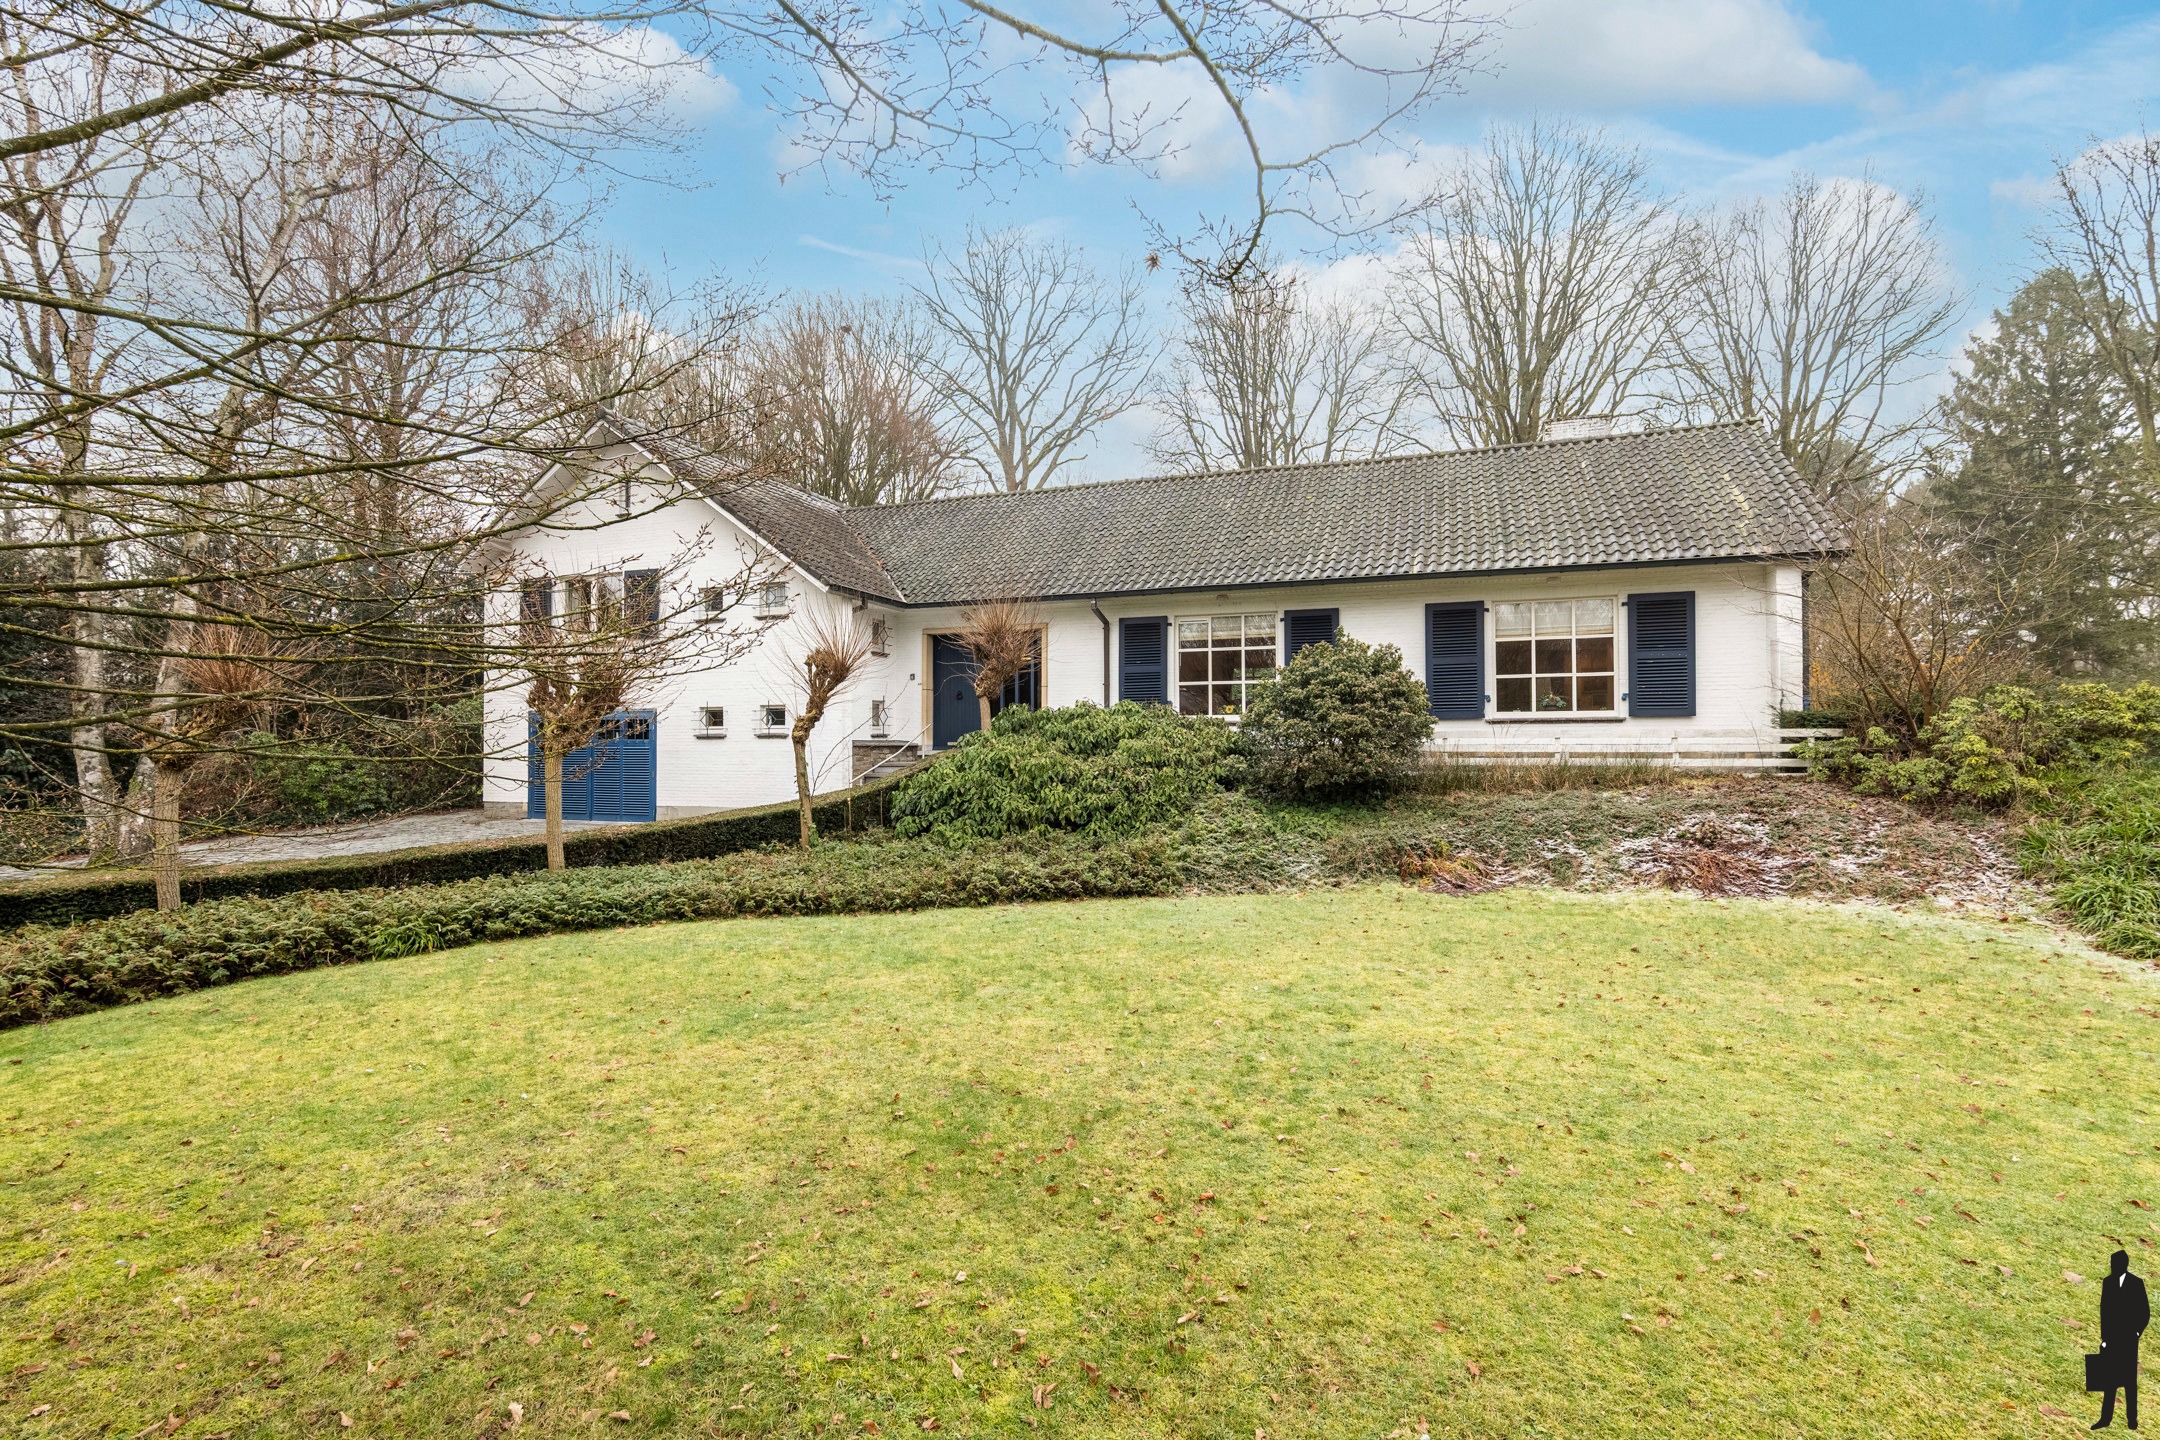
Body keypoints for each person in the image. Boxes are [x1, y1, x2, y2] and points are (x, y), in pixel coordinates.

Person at [2097, 1249, 2150, 1430]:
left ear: (2124, 1265)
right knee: (2109, 1380)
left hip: (2128, 1339)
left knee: (2129, 1382)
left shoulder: (2136, 1284)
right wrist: (2104, 1338)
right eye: (2112, 1264)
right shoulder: (2108, 1282)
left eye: (2117, 1264)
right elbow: (2104, 1312)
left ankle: (2132, 1420)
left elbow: (2144, 1312)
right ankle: (2105, 1418)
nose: (2114, 1267)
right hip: (2111, 1339)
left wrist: (2136, 1333)